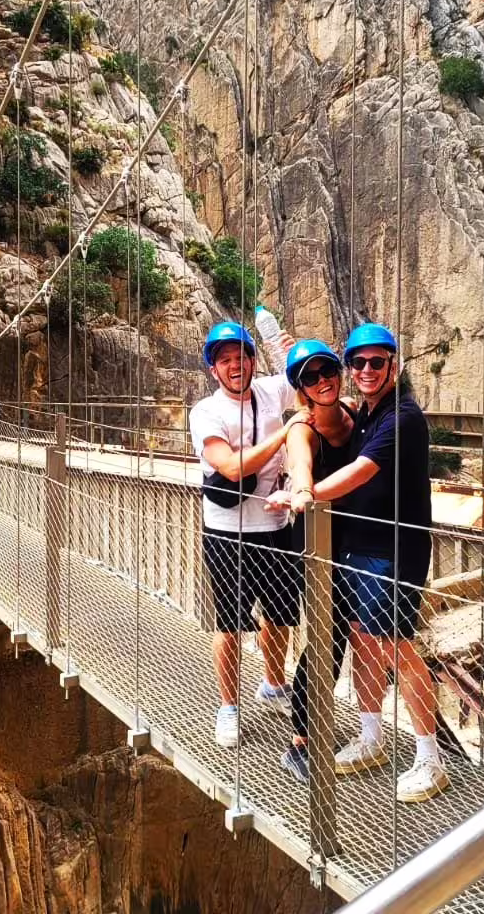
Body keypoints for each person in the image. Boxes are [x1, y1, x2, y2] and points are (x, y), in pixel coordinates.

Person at [298, 323, 448, 803]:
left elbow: (360, 472)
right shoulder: (364, 415)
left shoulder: (402, 418)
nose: (365, 370)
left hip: (394, 552)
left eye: (375, 362)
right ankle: (371, 737)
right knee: (364, 641)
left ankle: (430, 757)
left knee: (395, 649)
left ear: (393, 366)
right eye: (357, 363)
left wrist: (303, 494)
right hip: (359, 548)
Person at [189, 320, 302, 748]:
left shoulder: (272, 391)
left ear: (252, 360)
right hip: (227, 533)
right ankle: (229, 708)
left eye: (242, 357)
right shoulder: (206, 412)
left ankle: (273, 685)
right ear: (214, 370)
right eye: (226, 360)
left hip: (274, 526)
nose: (236, 365)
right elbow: (231, 467)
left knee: (279, 616)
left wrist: (280, 342)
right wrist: (285, 436)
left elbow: (310, 373)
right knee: (231, 624)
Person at [263, 340, 357, 783]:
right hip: (314, 539)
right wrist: (302, 491)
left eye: (327, 372)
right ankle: (301, 739)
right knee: (324, 635)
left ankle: (325, 725)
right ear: (300, 389)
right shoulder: (304, 428)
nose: (322, 382)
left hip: (352, 539)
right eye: (310, 378)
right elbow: (300, 464)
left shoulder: (353, 411)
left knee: (341, 634)